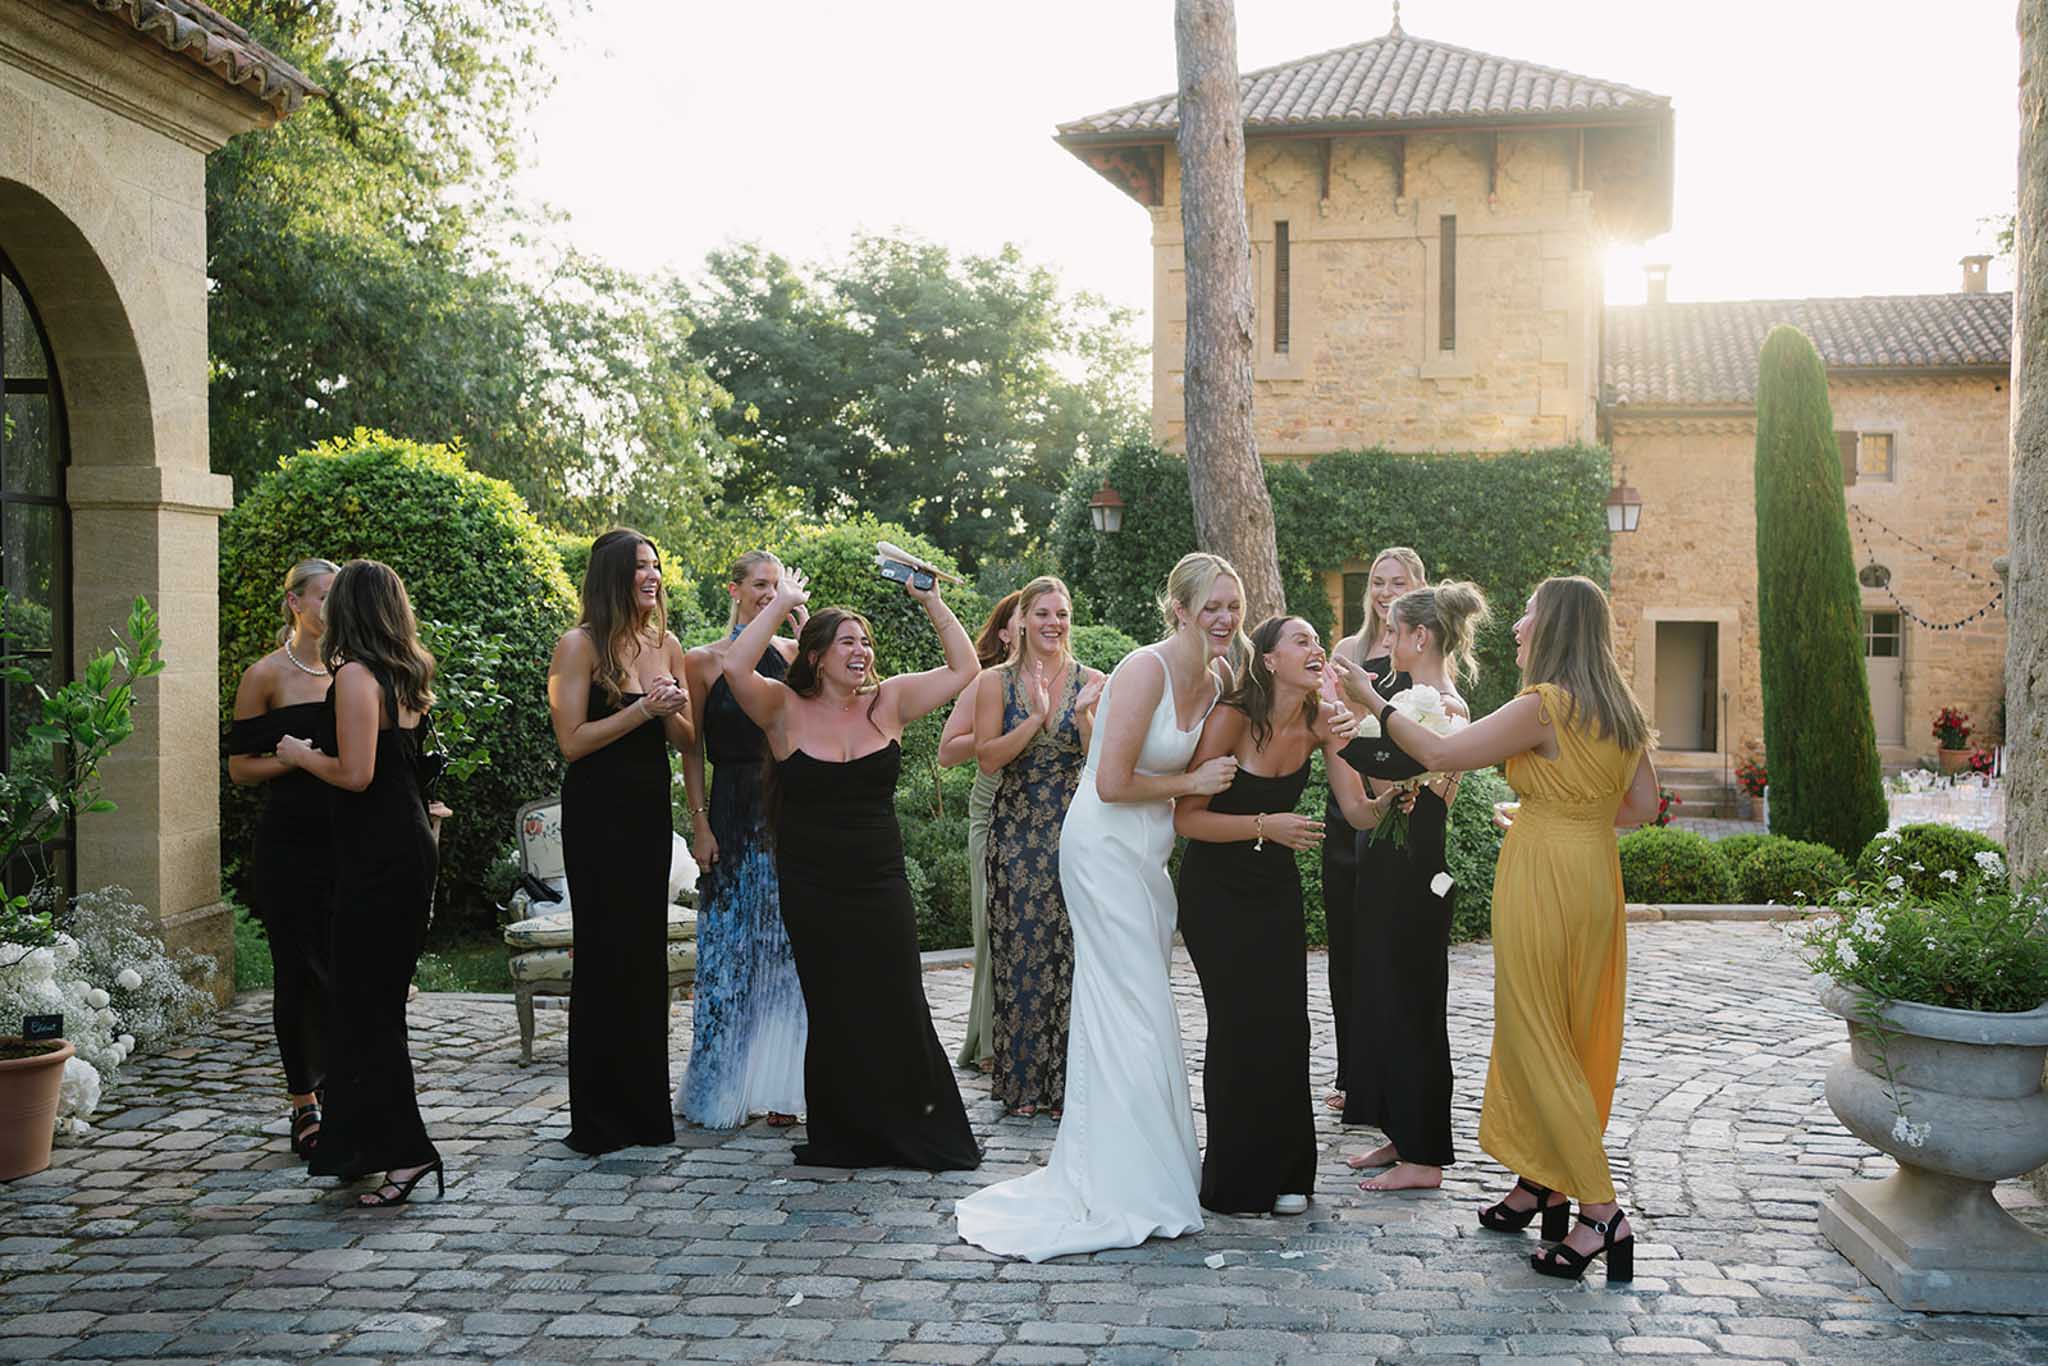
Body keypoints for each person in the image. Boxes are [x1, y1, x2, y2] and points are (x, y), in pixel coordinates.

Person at [1331, 575, 1660, 1283]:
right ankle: (1540, 1180)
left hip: (1545, 880)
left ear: (1557, 628)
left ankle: (1601, 1213)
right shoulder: (1620, 708)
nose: (1516, 628)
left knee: (1538, 1033)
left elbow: (1444, 756)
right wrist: (1552, 810)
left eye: (1528, 614)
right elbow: (1639, 805)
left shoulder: (1544, 705)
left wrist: (1374, 702)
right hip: (1594, 874)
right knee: (1557, 1028)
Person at [955, 552, 1245, 1261]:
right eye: (1210, 605)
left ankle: (1154, 1164)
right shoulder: (1145, 668)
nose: (1224, 618)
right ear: (1177, 608)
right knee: (1130, 1002)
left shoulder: (1221, 679)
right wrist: (1193, 780)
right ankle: (1124, 1179)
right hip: (1102, 844)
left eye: (1233, 606)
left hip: (1150, 856)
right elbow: (1111, 782)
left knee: (1141, 1003)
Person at [720, 566, 981, 1171]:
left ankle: (915, 1128)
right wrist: (782, 600)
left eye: (866, 642)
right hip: (810, 883)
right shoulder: (782, 707)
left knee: (896, 998)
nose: (862, 651)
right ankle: (847, 1134)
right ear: (815, 655)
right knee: (833, 1006)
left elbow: (964, 669)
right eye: (848, 642)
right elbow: (736, 668)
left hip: (878, 879)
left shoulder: (887, 702)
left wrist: (931, 603)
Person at [1173, 615, 1359, 1217]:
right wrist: (1263, 825)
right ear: (1271, 659)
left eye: (1317, 642)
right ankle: (1234, 1179)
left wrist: (1401, 798)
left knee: (1286, 1026)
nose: (1316, 648)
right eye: (1302, 640)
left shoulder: (1321, 723)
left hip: (1275, 887)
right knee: (1238, 1025)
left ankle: (1287, 1174)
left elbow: (1356, 809)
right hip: (1216, 889)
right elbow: (1186, 819)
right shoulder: (1231, 716)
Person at [274, 559, 443, 1207]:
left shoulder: (353, 676)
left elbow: (355, 773)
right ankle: (359, 1146)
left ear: (349, 609)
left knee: (368, 1010)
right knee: (367, 1006)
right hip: (404, 848)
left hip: (379, 856)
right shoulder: (406, 673)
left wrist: (295, 754)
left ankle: (406, 1155)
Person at [1333, 582, 1490, 1194]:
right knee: (1384, 1000)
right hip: (1385, 866)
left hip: (1420, 873)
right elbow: (1378, 767)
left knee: (1416, 1007)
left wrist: (1348, 726)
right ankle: (1401, 1132)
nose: (1387, 640)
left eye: (1395, 631)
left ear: (1420, 637)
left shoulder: (1448, 708)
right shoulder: (1404, 698)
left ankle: (1426, 1156)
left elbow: (1400, 765)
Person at [547, 529, 693, 1155]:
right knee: (604, 957)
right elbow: (572, 742)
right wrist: (641, 712)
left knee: (643, 958)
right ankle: (599, 1119)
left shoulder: (666, 643)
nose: (653, 576)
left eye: (657, 565)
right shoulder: (577, 646)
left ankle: (644, 1113)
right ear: (612, 575)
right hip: (597, 815)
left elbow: (688, 741)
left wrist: (676, 708)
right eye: (640, 567)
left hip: (646, 814)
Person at [677, 551, 808, 1130]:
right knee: (730, 953)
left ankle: (784, 1088)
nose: (768, 594)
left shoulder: (789, 656)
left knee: (787, 951)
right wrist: (699, 822)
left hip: (787, 812)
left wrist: (806, 635)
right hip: (730, 809)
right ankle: (723, 1087)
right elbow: (691, 749)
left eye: (776, 586)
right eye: (759, 585)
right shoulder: (702, 662)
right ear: (733, 589)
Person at [975, 576, 1105, 1117]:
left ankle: (1068, 1088)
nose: (1054, 624)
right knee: (1020, 954)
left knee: (1073, 956)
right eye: (1044, 614)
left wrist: (1082, 719)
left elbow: (1103, 764)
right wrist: (1033, 718)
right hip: (1017, 833)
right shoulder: (994, 684)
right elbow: (987, 758)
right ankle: (1024, 1085)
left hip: (1076, 830)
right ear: (1022, 620)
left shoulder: (1093, 681)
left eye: (1063, 614)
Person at [227, 557, 340, 1161]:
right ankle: (304, 1103)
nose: (333, 607)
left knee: (345, 972)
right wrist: (292, 761)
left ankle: (346, 1091)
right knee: (297, 974)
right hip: (290, 845)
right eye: (324, 597)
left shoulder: (356, 671)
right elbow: (240, 768)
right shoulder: (265, 675)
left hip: (350, 841)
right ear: (296, 603)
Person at [1322, 547, 1423, 1114]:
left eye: (1398, 582)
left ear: (1417, 587)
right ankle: (1352, 1073)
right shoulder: (1347, 652)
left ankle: (1390, 1071)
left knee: (1390, 946)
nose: (1386, 592)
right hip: (1348, 807)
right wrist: (1359, 788)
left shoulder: (1422, 648)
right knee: (1348, 947)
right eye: (1379, 583)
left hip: (1401, 804)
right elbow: (1336, 725)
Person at [938, 590, 1022, 1073]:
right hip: (992, 809)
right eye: (1024, 620)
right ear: (1007, 632)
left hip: (1049, 813)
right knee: (995, 924)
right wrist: (1002, 732)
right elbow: (948, 751)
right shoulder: (986, 683)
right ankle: (992, 1041)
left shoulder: (1064, 678)